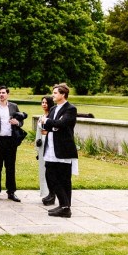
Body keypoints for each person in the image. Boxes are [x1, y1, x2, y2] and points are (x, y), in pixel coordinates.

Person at [42, 83, 79, 218]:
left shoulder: (70, 109)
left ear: (63, 94)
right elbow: (53, 126)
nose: (53, 95)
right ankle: (64, 205)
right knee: (50, 176)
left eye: (56, 93)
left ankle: (65, 207)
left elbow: (62, 124)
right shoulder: (53, 109)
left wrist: (48, 121)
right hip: (51, 148)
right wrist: (51, 123)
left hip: (63, 149)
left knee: (64, 179)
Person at [0, 85, 24, 202]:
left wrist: (17, 122)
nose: (1, 95)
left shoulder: (14, 106)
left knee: (10, 167)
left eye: (3, 93)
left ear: (7, 94)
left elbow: (21, 121)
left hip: (10, 141)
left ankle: (11, 192)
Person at [36, 96, 55, 205]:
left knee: (50, 170)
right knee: (43, 170)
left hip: (50, 145)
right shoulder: (40, 117)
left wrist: (47, 133)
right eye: (42, 102)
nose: (44, 104)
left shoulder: (52, 117)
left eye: (46, 103)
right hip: (42, 145)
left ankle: (52, 193)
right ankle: (45, 192)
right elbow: (38, 133)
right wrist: (37, 147)